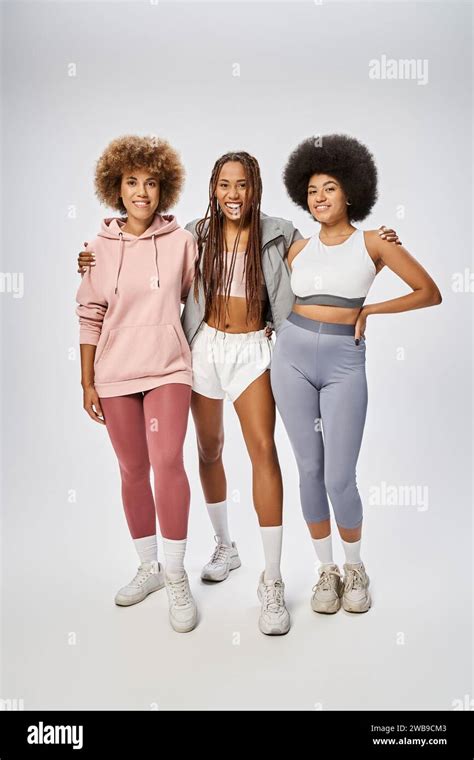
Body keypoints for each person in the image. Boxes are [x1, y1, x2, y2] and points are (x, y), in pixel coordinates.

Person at [78, 148, 401, 635]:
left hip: (253, 350)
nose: (233, 194)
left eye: (243, 185)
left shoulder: (279, 235)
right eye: (225, 185)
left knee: (262, 451)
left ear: (255, 189)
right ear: (213, 188)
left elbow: (327, 260)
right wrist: (93, 255)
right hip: (204, 347)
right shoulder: (193, 235)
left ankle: (270, 579)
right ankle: (226, 547)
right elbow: (145, 254)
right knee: (208, 449)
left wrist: (377, 248)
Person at [270, 134, 442, 615]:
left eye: (329, 188)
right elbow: (256, 277)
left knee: (340, 476)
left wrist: (371, 311)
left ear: (351, 193)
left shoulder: (374, 243)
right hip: (291, 358)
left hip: (345, 361)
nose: (319, 197)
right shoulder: (296, 249)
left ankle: (354, 567)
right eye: (311, 191)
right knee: (309, 469)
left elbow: (429, 291)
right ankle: (324, 571)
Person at [76, 135, 199, 633]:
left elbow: (195, 300)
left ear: (163, 188)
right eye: (131, 182)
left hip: (168, 368)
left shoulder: (182, 242)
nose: (141, 192)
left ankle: (175, 574)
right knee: (132, 469)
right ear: (116, 188)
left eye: (151, 183)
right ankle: (148, 566)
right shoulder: (96, 248)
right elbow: (89, 312)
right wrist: (87, 380)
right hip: (115, 374)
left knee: (168, 461)